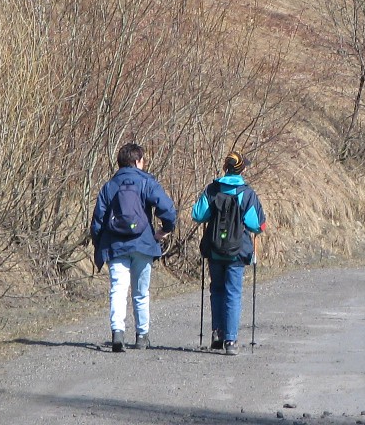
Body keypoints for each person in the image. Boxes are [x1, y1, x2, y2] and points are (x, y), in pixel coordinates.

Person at [91, 142, 176, 352]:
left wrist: (100, 244)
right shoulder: (147, 182)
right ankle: (141, 336)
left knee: (118, 289)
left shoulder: (109, 186)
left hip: (115, 244)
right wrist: (164, 230)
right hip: (143, 244)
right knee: (140, 292)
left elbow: (97, 222)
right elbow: (168, 210)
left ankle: (117, 332)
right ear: (138, 161)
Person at [192, 151, 266, 355]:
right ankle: (231, 341)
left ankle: (217, 333)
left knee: (216, 290)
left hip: (215, 250)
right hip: (237, 251)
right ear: (242, 169)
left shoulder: (213, 189)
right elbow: (257, 225)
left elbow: (198, 215)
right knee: (233, 293)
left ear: (226, 168)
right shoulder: (247, 193)